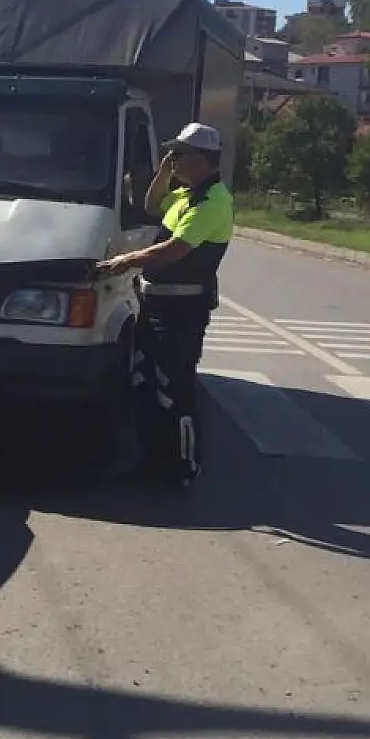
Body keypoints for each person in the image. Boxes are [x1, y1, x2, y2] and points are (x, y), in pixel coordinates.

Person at [93, 121, 234, 488]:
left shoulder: (213, 202)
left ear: (202, 159)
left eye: (180, 154)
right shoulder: (185, 195)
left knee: (175, 389)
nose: (174, 159)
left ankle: (184, 466)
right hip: (155, 304)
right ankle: (151, 461)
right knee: (147, 384)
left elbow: (175, 250)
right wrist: (165, 171)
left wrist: (125, 261)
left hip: (181, 312)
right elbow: (152, 204)